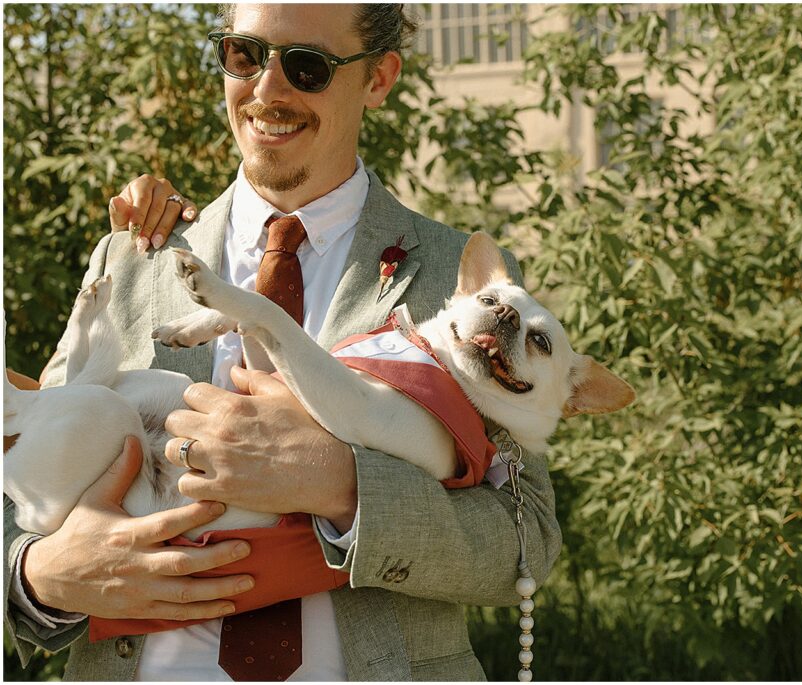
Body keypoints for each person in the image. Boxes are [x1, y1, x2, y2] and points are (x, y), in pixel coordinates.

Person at [3, 4, 561, 680]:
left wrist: (345, 486)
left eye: (308, 66)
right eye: (244, 55)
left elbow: (526, 536)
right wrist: (39, 575)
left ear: (380, 78)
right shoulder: (132, 259)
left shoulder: (464, 285)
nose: (267, 90)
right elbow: (11, 483)